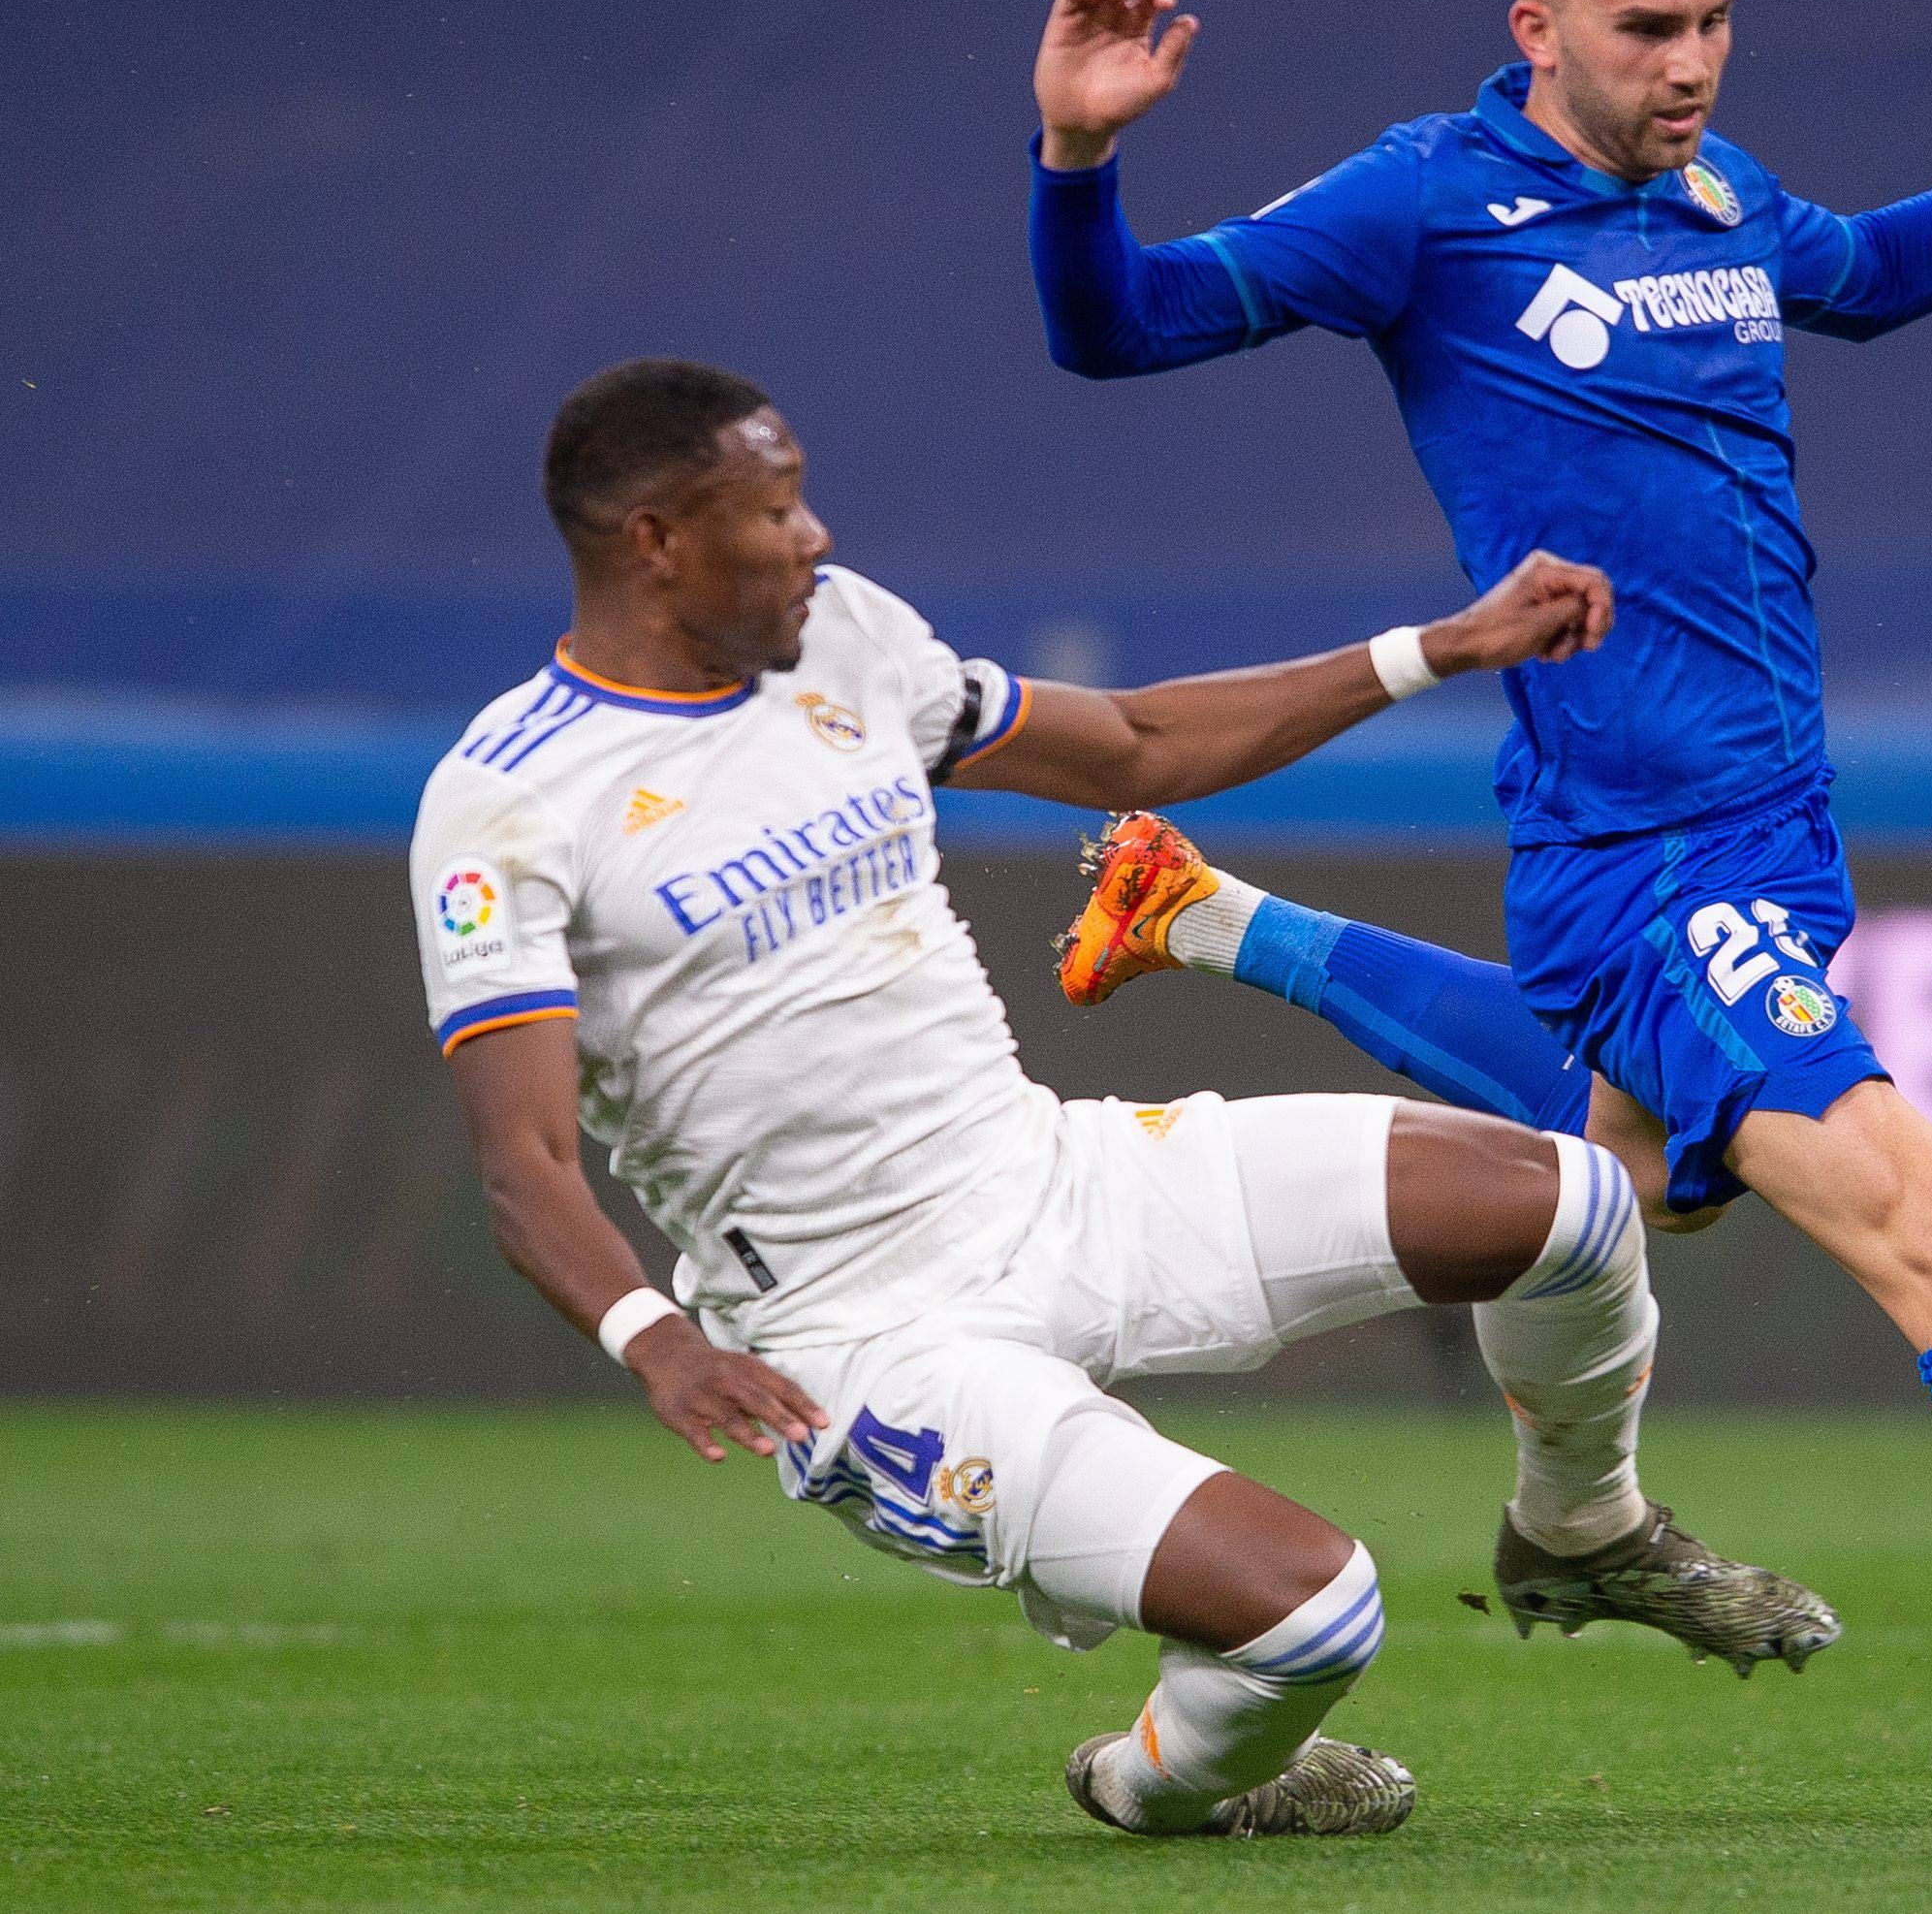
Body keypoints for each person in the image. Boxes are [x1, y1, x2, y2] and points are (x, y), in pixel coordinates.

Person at [1022, 0, 1932, 1812]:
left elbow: (1882, 274)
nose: (1695, 60)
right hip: (1651, 869)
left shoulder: (1716, 191)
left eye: (1717, 18)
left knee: (1612, 1182)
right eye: (1650, 26)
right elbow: (1116, 326)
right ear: (1536, 25)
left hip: (1763, 846)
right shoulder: (1426, 203)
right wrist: (1077, 160)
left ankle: (1206, 915)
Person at [414, 357, 1834, 1842]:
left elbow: (1141, 746)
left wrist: (1444, 646)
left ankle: (1581, 1531)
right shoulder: (510, 800)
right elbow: (521, 1161)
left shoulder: (848, 641)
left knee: (1578, 1203)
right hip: (869, 1336)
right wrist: (654, 1341)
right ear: (654, 540)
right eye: (772, 510)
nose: (814, 535)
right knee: (1317, 1613)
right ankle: (1155, 1782)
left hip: (1056, 1181)